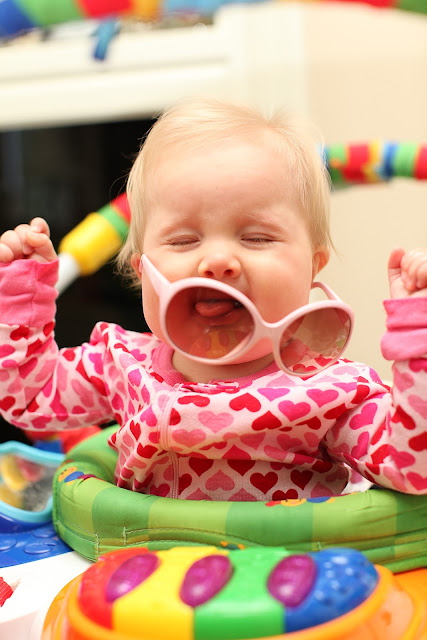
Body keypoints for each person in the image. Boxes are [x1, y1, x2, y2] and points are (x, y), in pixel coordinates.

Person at [1, 98, 427, 502]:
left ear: (312, 269)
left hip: (288, 555)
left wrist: (416, 336)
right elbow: (28, 398)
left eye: (256, 238)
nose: (219, 261)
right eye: (184, 240)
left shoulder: (334, 393)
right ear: (143, 272)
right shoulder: (123, 367)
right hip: (145, 553)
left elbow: (412, 468)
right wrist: (23, 293)